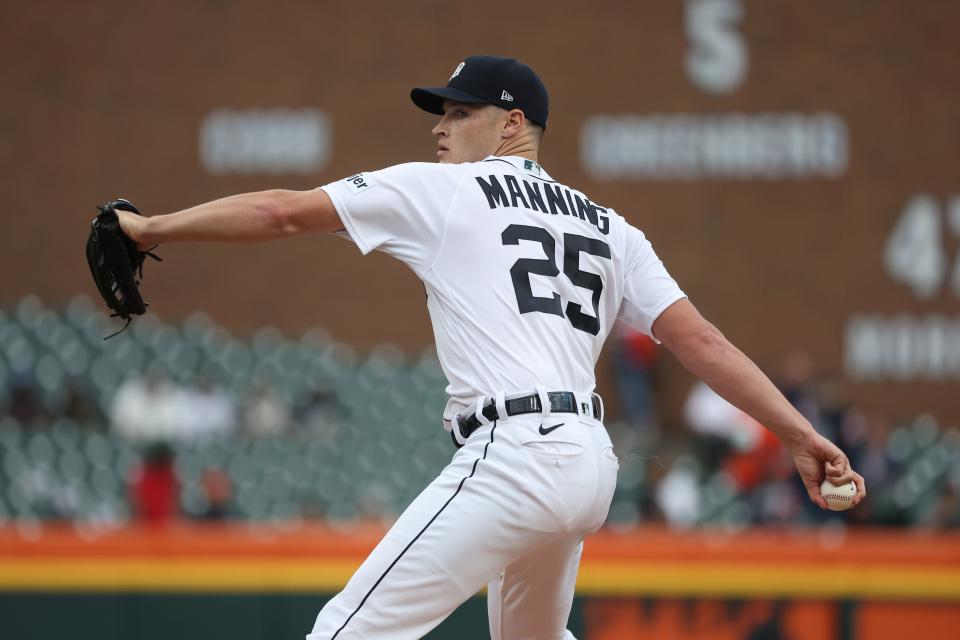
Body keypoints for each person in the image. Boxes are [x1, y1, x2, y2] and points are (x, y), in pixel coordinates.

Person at [116, 55, 865, 640]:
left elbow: (281, 212)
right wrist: (799, 433)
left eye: (460, 111)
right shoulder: (611, 226)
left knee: (342, 630)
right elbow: (701, 341)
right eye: (441, 112)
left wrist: (150, 229)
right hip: (586, 460)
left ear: (511, 124)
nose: (441, 126)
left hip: (517, 450)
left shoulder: (448, 191)